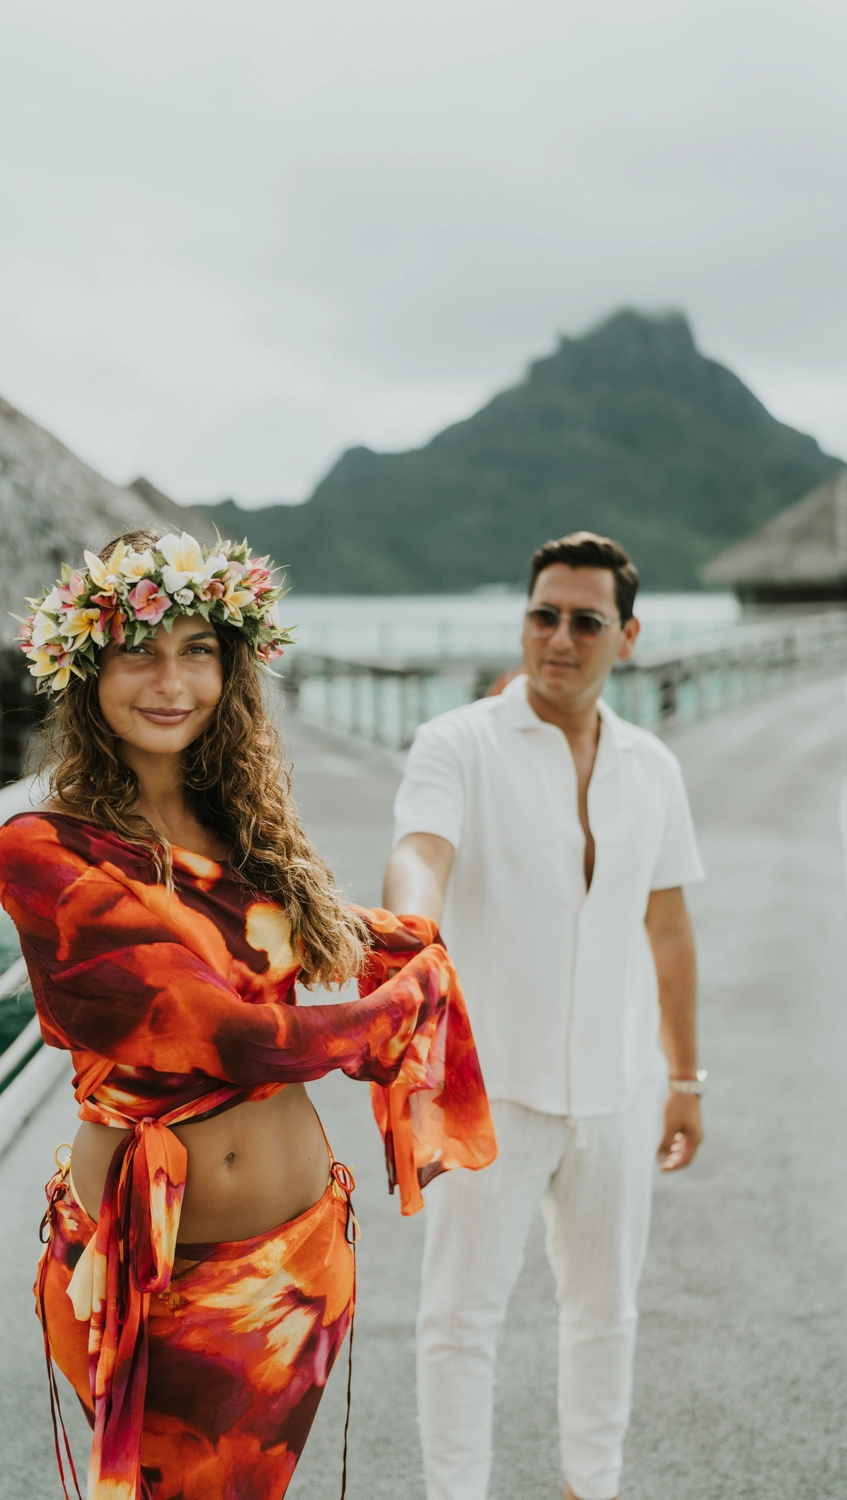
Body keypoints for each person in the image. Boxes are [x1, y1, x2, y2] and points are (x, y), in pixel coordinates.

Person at [0, 529, 496, 1500]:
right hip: (156, 1269)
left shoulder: (243, 827)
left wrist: (407, 941)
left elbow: (291, 934)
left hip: (302, 1257)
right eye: (140, 648)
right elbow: (206, 1024)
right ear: (86, 665)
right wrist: (379, 1023)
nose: (170, 680)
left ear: (232, 667)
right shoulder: (43, 849)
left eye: (198, 651)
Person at [383, 531, 705, 1500]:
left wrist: (686, 1076)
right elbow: (422, 852)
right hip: (492, 1087)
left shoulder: (652, 767)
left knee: (605, 1311)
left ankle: (590, 1487)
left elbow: (669, 924)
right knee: (460, 1320)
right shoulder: (456, 745)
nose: (558, 637)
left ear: (628, 636)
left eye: (583, 620)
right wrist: (410, 931)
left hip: (618, 1085)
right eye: (541, 614)